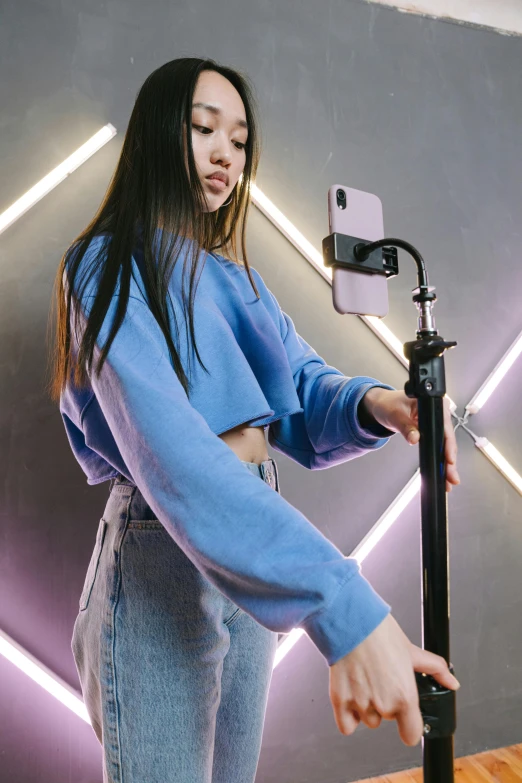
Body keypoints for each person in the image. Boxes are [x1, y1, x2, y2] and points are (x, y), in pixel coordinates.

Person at [47, 58, 460, 783]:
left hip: (254, 543)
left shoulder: (239, 280)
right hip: (161, 549)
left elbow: (301, 387)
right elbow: (175, 457)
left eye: (238, 141)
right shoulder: (104, 265)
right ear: (154, 136)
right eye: (204, 128)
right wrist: (341, 602)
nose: (224, 154)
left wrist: (376, 403)